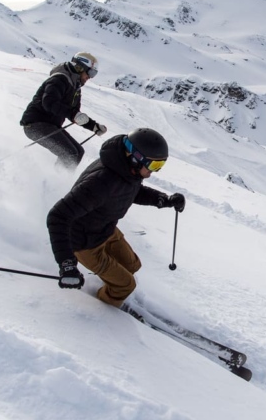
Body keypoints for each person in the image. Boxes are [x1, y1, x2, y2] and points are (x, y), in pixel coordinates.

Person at [46, 128, 186, 307]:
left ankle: (109, 287)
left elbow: (131, 191)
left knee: (133, 265)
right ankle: (107, 311)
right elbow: (58, 216)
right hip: (84, 243)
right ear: (136, 158)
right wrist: (67, 264)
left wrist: (165, 200)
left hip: (105, 229)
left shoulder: (126, 170)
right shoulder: (100, 182)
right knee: (126, 285)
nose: (154, 172)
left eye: (160, 166)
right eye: (154, 166)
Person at [20, 52, 107, 168]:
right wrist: (73, 114)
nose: (90, 77)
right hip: (35, 125)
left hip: (50, 126)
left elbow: (75, 113)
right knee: (70, 153)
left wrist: (94, 126)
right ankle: (53, 184)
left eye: (93, 74)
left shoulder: (75, 86)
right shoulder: (59, 79)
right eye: (90, 72)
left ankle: (58, 181)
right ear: (79, 67)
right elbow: (49, 102)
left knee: (78, 152)